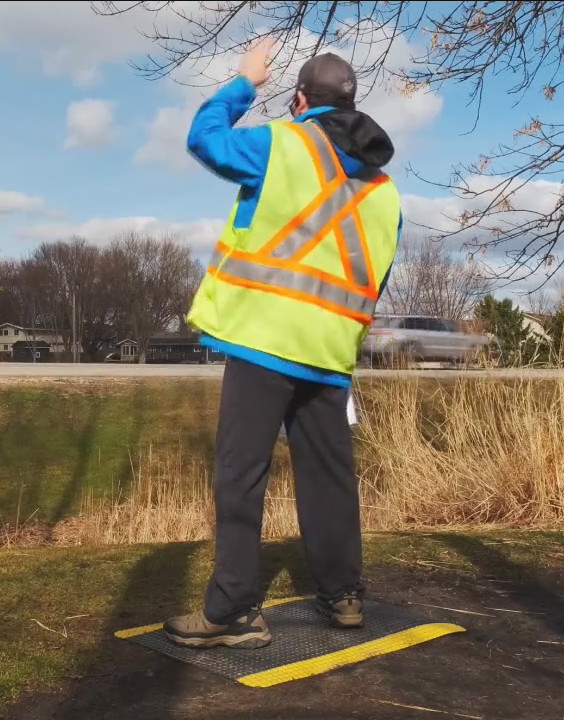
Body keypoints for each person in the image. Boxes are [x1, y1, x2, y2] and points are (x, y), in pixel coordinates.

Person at [163, 39, 403, 649]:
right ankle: (343, 594)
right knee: (329, 473)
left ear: (300, 101)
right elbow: (375, 274)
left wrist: (244, 83)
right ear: (352, 104)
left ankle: (235, 610)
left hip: (264, 337)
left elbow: (204, 140)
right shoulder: (386, 191)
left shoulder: (281, 142)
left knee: (241, 473)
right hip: (328, 350)